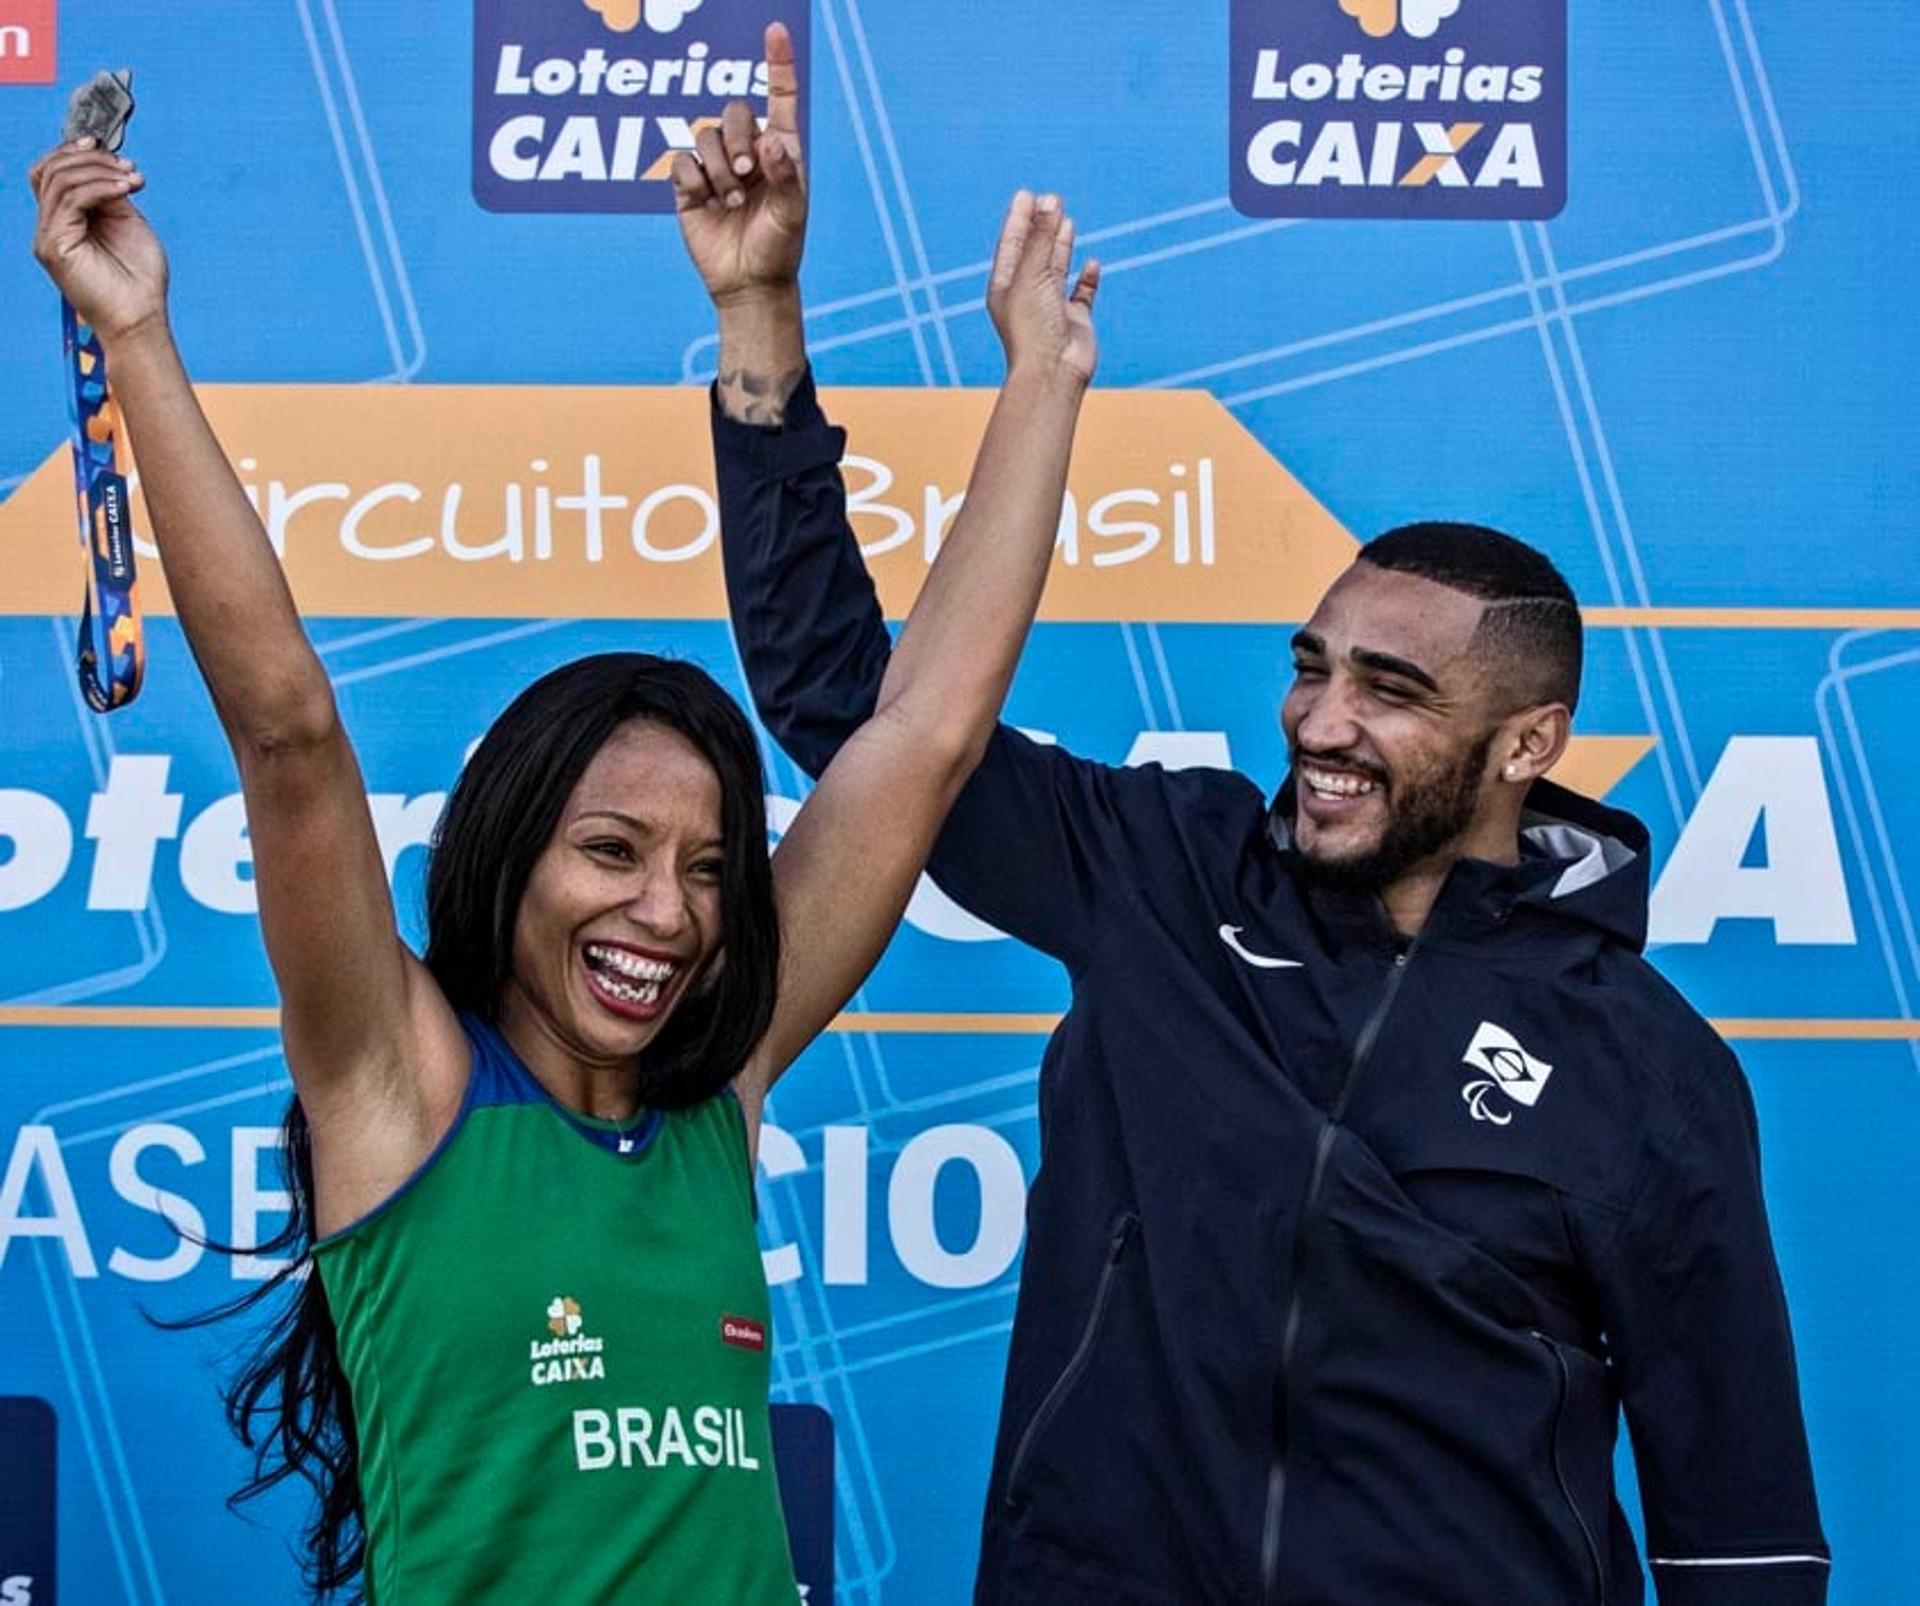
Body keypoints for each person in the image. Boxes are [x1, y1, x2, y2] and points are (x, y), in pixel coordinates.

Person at [693, 91, 1830, 1606]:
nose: (1321, 719)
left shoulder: (1651, 1067)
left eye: (1392, 689)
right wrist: (761, 323)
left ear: (1529, 746)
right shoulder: (1161, 867)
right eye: (1314, 664)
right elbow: (851, 709)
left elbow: (1737, 1527)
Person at [26, 43, 1099, 1600]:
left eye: (710, 868)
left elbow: (922, 738)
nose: (667, 909)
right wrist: (136, 335)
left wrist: (1039, 381)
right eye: (612, 850)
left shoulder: (715, 1089)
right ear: (507, 857)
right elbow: (290, 733)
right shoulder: (395, 1080)